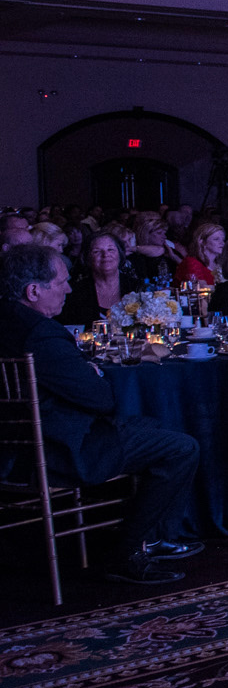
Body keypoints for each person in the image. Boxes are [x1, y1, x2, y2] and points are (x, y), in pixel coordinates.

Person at [1, 245, 201, 585]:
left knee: (150, 426)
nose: (68, 289)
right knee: (182, 447)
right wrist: (94, 374)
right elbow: (101, 400)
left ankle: (151, 537)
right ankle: (127, 552)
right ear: (33, 291)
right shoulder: (41, 334)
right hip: (59, 449)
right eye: (61, 282)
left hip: (13, 449)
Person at [60, 230, 137, 325]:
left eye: (110, 250)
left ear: (120, 254)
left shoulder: (137, 287)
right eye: (97, 251)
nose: (105, 255)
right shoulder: (75, 292)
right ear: (88, 258)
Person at [127, 212, 175, 285]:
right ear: (146, 235)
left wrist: (174, 257)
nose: (164, 236)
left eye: (164, 233)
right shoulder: (136, 257)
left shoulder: (169, 250)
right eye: (159, 233)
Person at [175, 222, 225, 286]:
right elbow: (201, 288)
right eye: (216, 239)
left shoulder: (221, 265)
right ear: (202, 242)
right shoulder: (192, 262)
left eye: (223, 239)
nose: (222, 243)